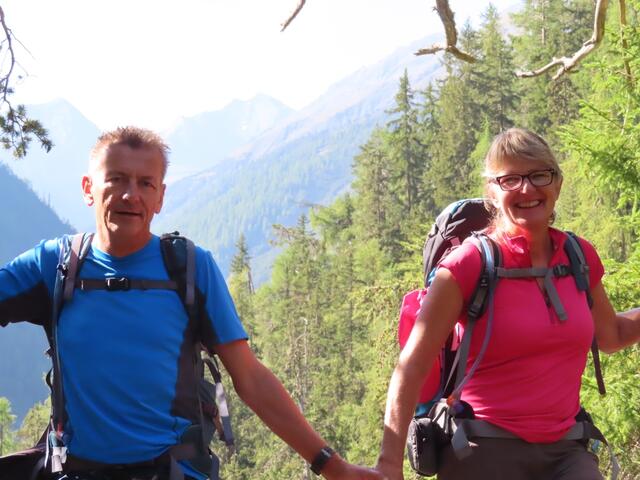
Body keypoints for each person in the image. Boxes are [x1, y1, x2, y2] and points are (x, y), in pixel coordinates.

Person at [0, 126, 383, 480]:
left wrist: (332, 466)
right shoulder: (54, 265)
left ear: (160, 196)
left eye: (146, 183)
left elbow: (250, 378)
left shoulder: (190, 269)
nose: (131, 195)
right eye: (116, 179)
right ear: (88, 188)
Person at [375, 128, 640, 480]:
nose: (527, 189)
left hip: (567, 449)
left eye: (539, 175)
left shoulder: (578, 257)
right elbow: (412, 366)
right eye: (510, 179)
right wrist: (389, 465)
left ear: (558, 183)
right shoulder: (467, 264)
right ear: (492, 191)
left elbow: (612, 335)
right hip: (481, 448)